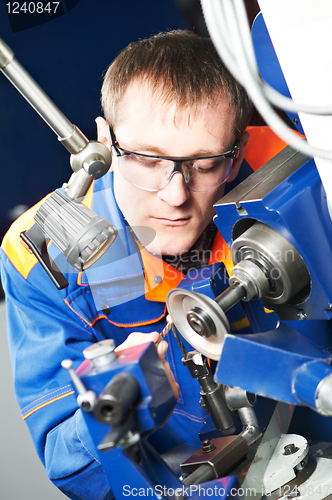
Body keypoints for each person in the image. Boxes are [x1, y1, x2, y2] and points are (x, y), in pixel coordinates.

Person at [0, 30, 285, 499]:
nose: (175, 196)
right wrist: (112, 414)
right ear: (104, 143)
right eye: (148, 159)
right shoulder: (40, 253)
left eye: (205, 163)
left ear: (235, 156)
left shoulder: (292, 173)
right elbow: (69, 465)